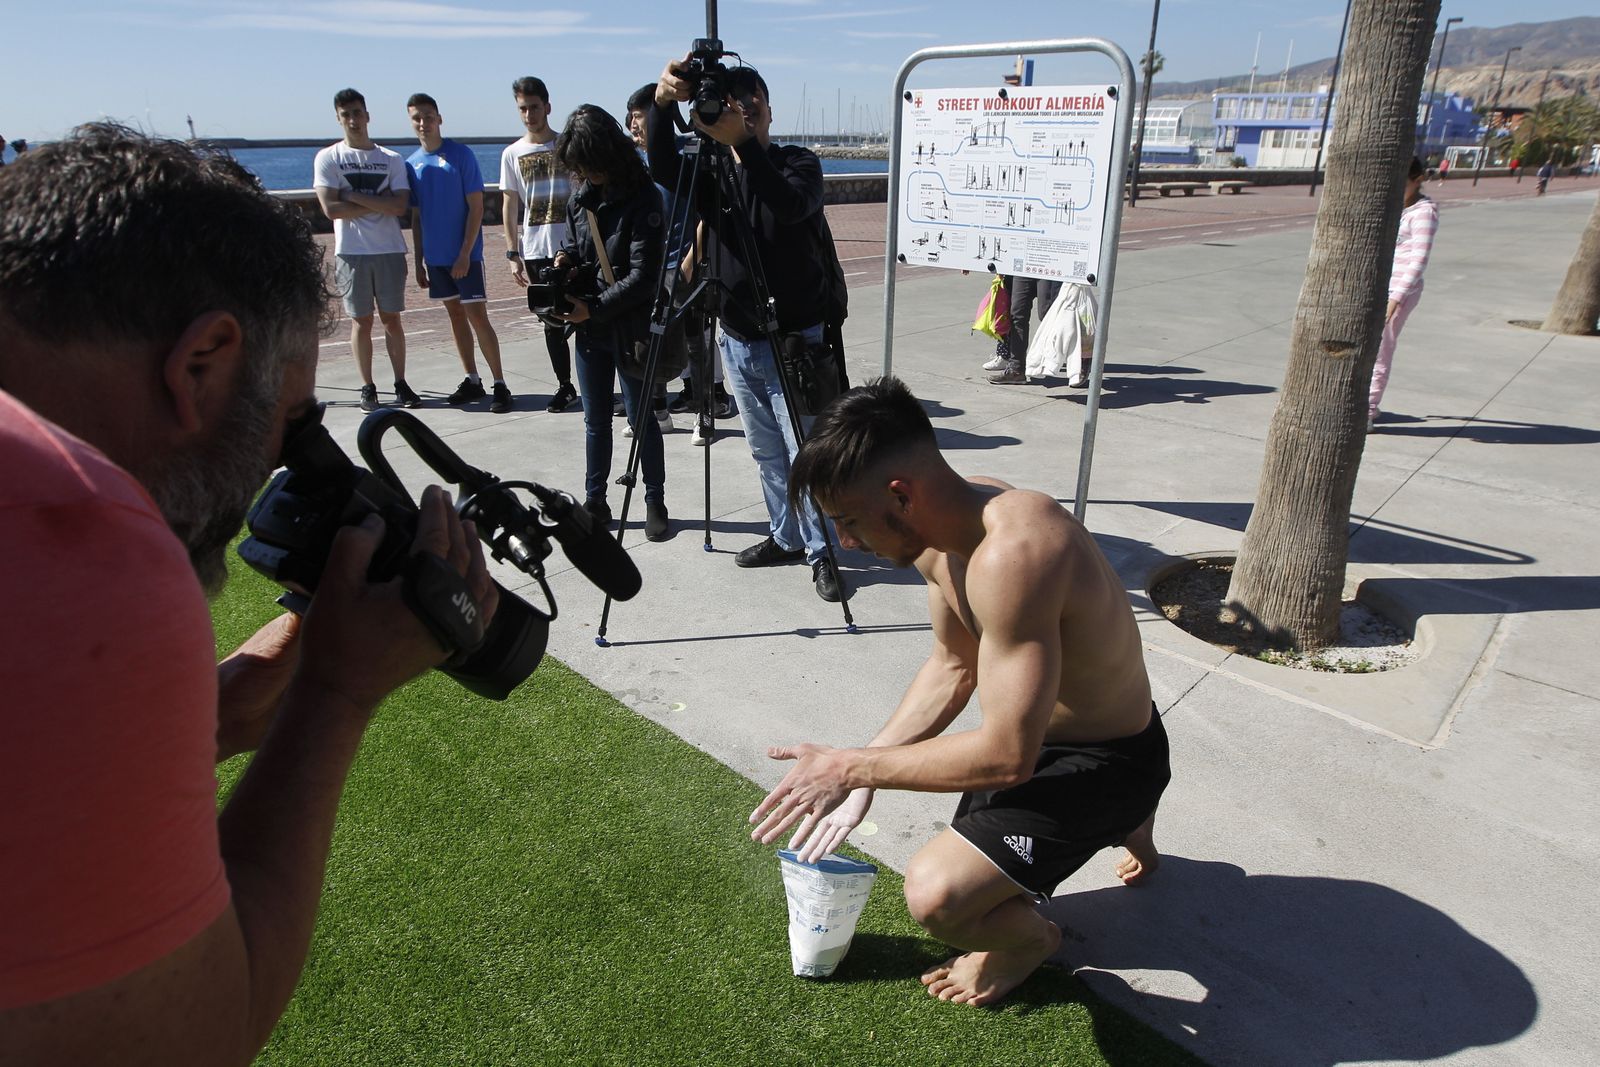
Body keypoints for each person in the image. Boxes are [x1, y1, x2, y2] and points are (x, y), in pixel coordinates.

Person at [0, 124, 496, 1062]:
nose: (290, 457)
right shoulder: (66, 538)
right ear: (202, 364)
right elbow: (189, 1038)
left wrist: (229, 697)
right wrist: (337, 693)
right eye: (294, 418)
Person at [750, 377, 1170, 1007]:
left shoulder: (1017, 552)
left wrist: (855, 767)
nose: (846, 543)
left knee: (938, 896)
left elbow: (1006, 757)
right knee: (981, 865)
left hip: (1109, 756)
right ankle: (1129, 826)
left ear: (899, 494)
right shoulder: (942, 535)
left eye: (848, 521)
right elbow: (953, 667)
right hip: (1044, 737)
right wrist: (861, 777)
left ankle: (1034, 943)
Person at [648, 57, 842, 601]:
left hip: (794, 343)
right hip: (737, 340)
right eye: (732, 104)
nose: (743, 111)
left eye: (751, 102)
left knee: (807, 454)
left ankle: (822, 550)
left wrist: (743, 144)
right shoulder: (714, 174)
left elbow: (788, 205)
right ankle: (785, 536)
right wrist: (664, 105)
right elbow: (662, 167)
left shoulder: (797, 163)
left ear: (768, 109)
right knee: (766, 453)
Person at [552, 104, 670, 542]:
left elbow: (645, 276)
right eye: (579, 166)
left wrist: (595, 307)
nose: (585, 172)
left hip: (630, 326)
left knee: (642, 419)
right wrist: (566, 262)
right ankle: (595, 498)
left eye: (590, 164)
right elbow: (580, 250)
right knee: (595, 420)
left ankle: (655, 497)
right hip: (590, 328)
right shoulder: (580, 198)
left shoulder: (644, 196)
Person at [625, 81, 734, 445]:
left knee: (696, 341)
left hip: (687, 266)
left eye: (639, 116)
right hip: (650, 270)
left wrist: (691, 260)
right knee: (650, 339)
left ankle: (705, 413)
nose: (634, 125)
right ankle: (657, 409)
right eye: (631, 119)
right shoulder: (635, 165)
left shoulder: (683, 156)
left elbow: (710, 212)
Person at [313, 88, 420, 413]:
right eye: (346, 114)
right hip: (352, 253)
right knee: (362, 321)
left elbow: (399, 205)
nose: (353, 120)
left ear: (367, 115)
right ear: (338, 118)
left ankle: (401, 383)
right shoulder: (329, 158)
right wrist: (378, 201)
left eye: (358, 112)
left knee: (392, 319)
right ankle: (368, 387)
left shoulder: (390, 159)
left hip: (388, 251)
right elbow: (331, 209)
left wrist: (351, 195)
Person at [405, 92, 511, 414]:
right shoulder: (411, 165)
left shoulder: (461, 155)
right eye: (417, 118)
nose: (424, 123)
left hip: (465, 257)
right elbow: (415, 217)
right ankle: (472, 378)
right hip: (435, 260)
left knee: (478, 316)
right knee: (454, 317)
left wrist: (465, 253)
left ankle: (500, 384)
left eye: (428, 116)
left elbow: (476, 207)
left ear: (439, 118)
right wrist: (418, 260)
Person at [501, 76, 579, 413]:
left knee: (584, 315)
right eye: (523, 108)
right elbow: (509, 204)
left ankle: (599, 385)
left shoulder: (566, 147)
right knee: (550, 321)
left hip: (572, 246)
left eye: (534, 107)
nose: (530, 114)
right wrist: (512, 253)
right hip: (535, 248)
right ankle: (565, 385)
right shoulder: (512, 154)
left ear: (547, 106)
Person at [1369, 157, 1438, 430]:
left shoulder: (1423, 213)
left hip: (1399, 292)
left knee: (1380, 350)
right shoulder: (1399, 209)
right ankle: (1368, 401)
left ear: (1418, 179)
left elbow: (1418, 262)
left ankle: (1368, 410)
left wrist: (1395, 300)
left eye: (1402, 184)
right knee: (1371, 349)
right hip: (1381, 288)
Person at [984, 275, 1063, 384]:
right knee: (1017, 315)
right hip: (1024, 268)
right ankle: (1016, 370)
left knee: (1047, 314)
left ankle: (1079, 358)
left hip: (1049, 269)